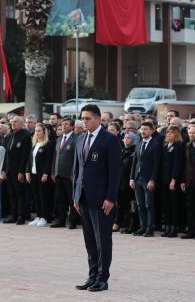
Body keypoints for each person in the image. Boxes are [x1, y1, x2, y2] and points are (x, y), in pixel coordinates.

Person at [73, 104, 121, 292]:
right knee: (90, 239)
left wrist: (110, 197)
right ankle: (92, 275)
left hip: (101, 198)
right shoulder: (80, 139)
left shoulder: (109, 139)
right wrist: (75, 195)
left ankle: (102, 277)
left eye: (88, 118)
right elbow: (76, 170)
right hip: (84, 196)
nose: (84, 121)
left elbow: (115, 172)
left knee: (103, 239)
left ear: (98, 119)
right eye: (82, 118)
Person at [129, 122, 161, 237]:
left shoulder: (155, 145)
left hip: (148, 179)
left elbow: (157, 164)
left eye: (146, 129)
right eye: (142, 129)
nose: (143, 131)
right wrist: (131, 178)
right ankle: (142, 226)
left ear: (151, 131)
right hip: (137, 178)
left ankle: (149, 228)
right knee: (140, 204)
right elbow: (134, 162)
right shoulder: (138, 144)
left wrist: (152, 180)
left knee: (149, 205)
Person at [25, 123, 56, 227]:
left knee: (44, 196)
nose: (37, 133)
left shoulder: (48, 144)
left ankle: (44, 217)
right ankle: (38, 216)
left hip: (42, 174)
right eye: (36, 131)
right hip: (33, 174)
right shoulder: (34, 144)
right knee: (36, 196)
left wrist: (46, 173)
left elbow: (49, 161)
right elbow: (30, 160)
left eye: (39, 131)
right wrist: (28, 172)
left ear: (44, 133)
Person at [2, 116, 31, 225]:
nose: (13, 124)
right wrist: (5, 169)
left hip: (18, 170)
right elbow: (7, 154)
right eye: (12, 122)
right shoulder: (10, 136)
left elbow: (25, 156)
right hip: (10, 170)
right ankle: (13, 215)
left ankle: (21, 216)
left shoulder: (25, 136)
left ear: (22, 124)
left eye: (16, 122)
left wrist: (21, 171)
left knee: (20, 195)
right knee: (11, 194)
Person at [51, 119, 78, 228]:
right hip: (59, 174)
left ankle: (72, 221)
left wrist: (73, 172)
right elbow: (55, 157)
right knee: (60, 199)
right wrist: (53, 171)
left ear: (72, 127)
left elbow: (77, 158)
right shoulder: (59, 139)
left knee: (72, 199)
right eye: (62, 124)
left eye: (66, 124)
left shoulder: (76, 139)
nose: (64, 126)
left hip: (69, 174)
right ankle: (61, 220)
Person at [159, 126, 185, 238]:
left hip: (172, 179)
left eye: (172, 133)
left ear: (177, 135)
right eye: (168, 132)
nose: (169, 134)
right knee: (166, 204)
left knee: (174, 204)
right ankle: (168, 225)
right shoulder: (165, 145)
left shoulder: (178, 146)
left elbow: (177, 165)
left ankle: (174, 227)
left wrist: (173, 180)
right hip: (164, 179)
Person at [118, 132, 139, 234]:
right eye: (125, 138)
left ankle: (133, 226)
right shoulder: (122, 150)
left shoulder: (134, 151)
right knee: (124, 205)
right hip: (122, 181)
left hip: (130, 182)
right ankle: (127, 225)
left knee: (132, 205)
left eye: (128, 138)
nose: (126, 140)